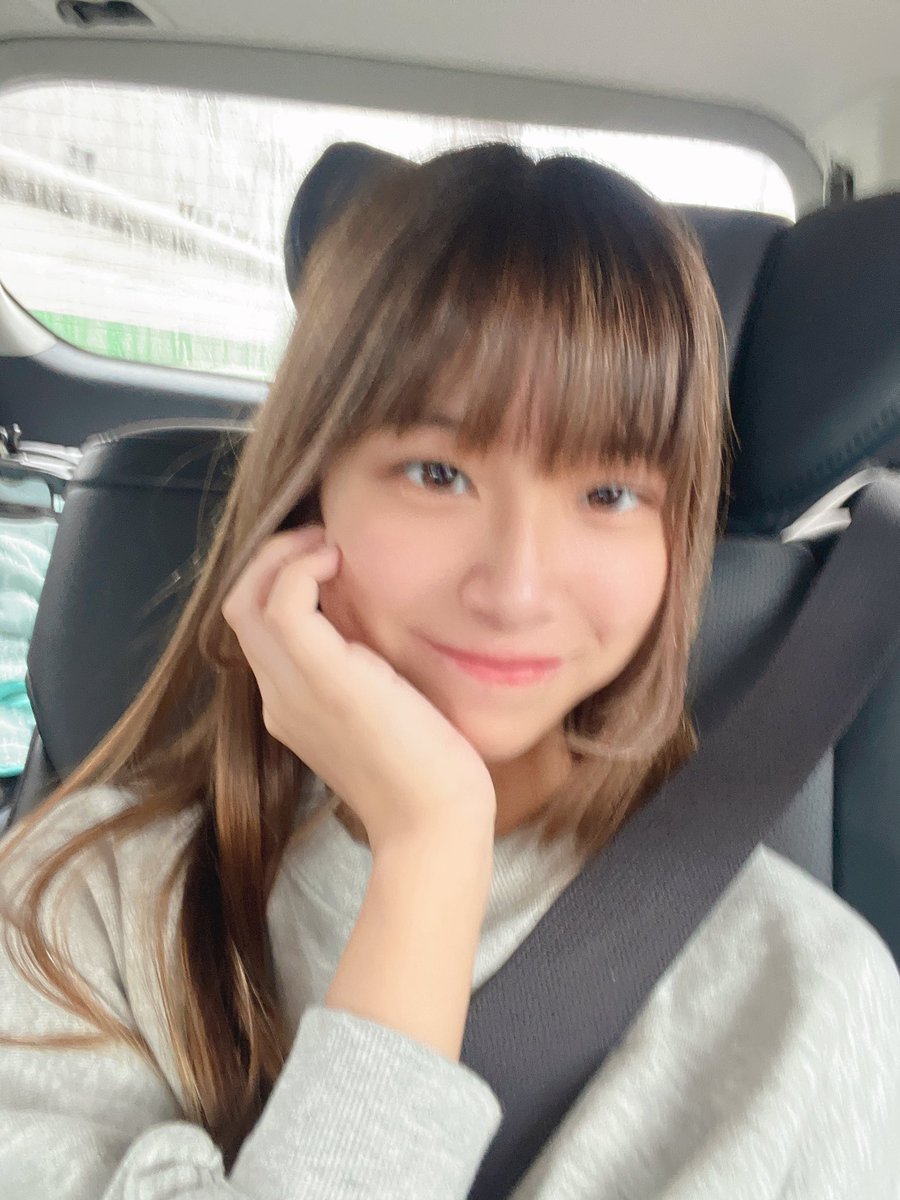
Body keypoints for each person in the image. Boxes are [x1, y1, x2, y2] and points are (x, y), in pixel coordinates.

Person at [0, 142, 897, 1200]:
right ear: (308, 490)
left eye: (610, 494)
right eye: (437, 472)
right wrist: (429, 849)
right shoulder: (81, 907)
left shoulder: (811, 996)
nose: (516, 587)